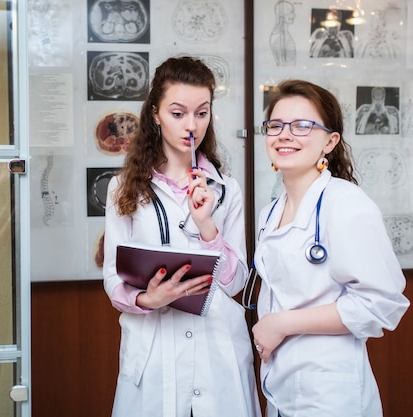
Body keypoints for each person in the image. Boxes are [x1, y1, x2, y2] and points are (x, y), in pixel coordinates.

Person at [103, 56, 261, 417]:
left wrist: (207, 226)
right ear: (155, 114)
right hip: (153, 350)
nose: (192, 125)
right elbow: (113, 277)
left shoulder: (226, 190)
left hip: (217, 349)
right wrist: (147, 300)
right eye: (178, 113)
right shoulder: (121, 189)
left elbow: (236, 283)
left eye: (202, 113)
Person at [252, 79, 410, 417]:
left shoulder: (346, 203)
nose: (285, 134)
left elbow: (380, 304)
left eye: (303, 126)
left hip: (330, 393)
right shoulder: (271, 212)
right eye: (276, 125)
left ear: (330, 141)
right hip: (280, 387)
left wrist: (280, 324)